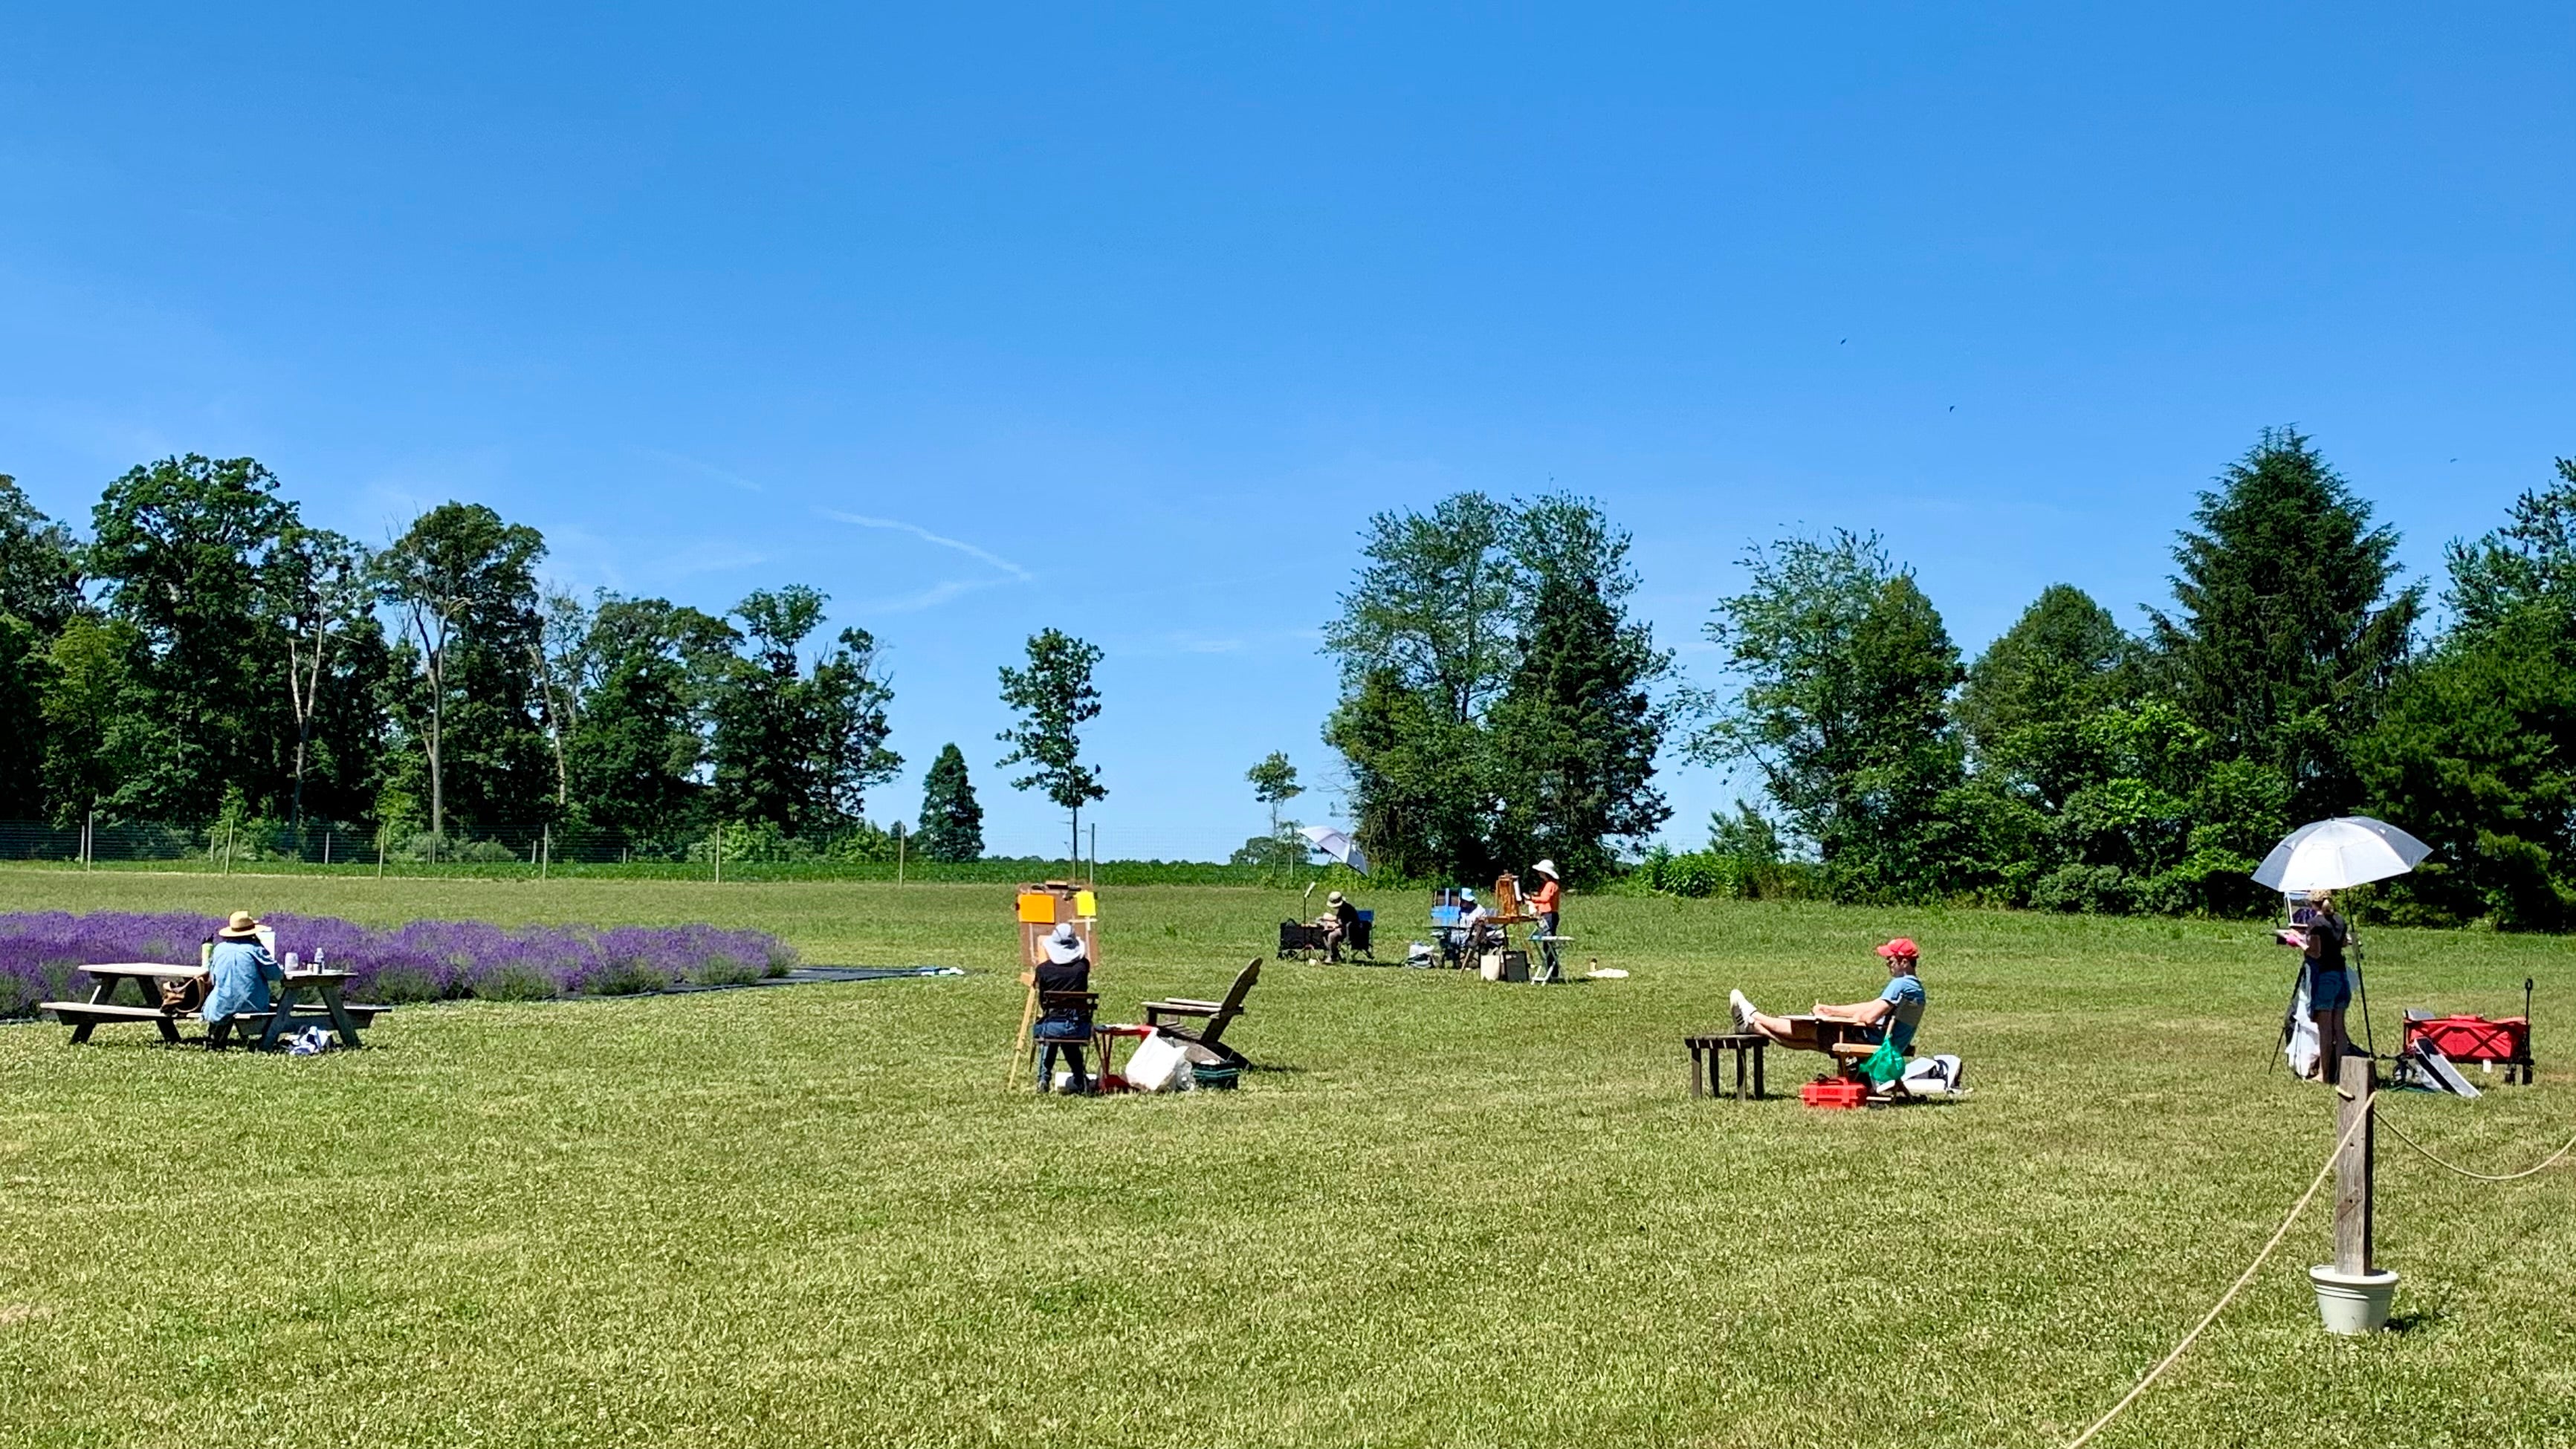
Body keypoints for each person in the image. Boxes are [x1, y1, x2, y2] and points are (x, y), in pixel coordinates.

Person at [1729, 938, 1927, 1055]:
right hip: (1891, 1044)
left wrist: (1849, 1019)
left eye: (1890, 960)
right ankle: (1752, 1024)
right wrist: (1831, 1010)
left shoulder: (1900, 984)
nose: (1887, 964)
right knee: (1809, 1041)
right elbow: (1872, 1006)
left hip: (1871, 1042)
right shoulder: (1916, 988)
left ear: (1904, 962)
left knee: (1804, 1029)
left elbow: (1868, 1017)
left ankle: (1754, 1017)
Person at [1021, 924, 1096, 1094]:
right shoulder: (1083, 967)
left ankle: (1044, 1078)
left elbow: (1042, 1003)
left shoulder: (1043, 970)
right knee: (1064, 1034)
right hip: (1079, 1026)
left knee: (1053, 1032)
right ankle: (1080, 1079)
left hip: (1052, 1026)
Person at [2301, 892, 2352, 1082]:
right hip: (2341, 975)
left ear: (2313, 903)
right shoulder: (2339, 919)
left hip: (2325, 977)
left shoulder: (2316, 924)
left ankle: (2325, 1074)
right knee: (2339, 1028)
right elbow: (2344, 943)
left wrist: (2299, 943)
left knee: (2326, 1030)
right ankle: (2342, 1074)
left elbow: (2315, 952)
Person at [202, 910, 284, 1027]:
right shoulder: (255, 949)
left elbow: (213, 977)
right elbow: (275, 975)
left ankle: (216, 1036)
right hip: (250, 1004)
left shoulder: (219, 949)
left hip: (219, 1005)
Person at [1527, 860, 1563, 979]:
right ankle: (1551, 972)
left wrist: (1532, 899)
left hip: (1549, 915)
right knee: (1547, 946)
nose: (1538, 873)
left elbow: (1546, 898)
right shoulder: (1547, 884)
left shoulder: (1550, 885)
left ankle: (1553, 973)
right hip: (1546, 914)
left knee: (1548, 945)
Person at [1314, 889, 1361, 962]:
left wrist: (1334, 925)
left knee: (1332, 936)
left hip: (1351, 930)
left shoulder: (1347, 908)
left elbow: (1345, 923)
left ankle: (1333, 956)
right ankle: (1334, 953)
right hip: (1344, 928)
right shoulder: (1342, 908)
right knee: (1325, 933)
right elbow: (1339, 919)